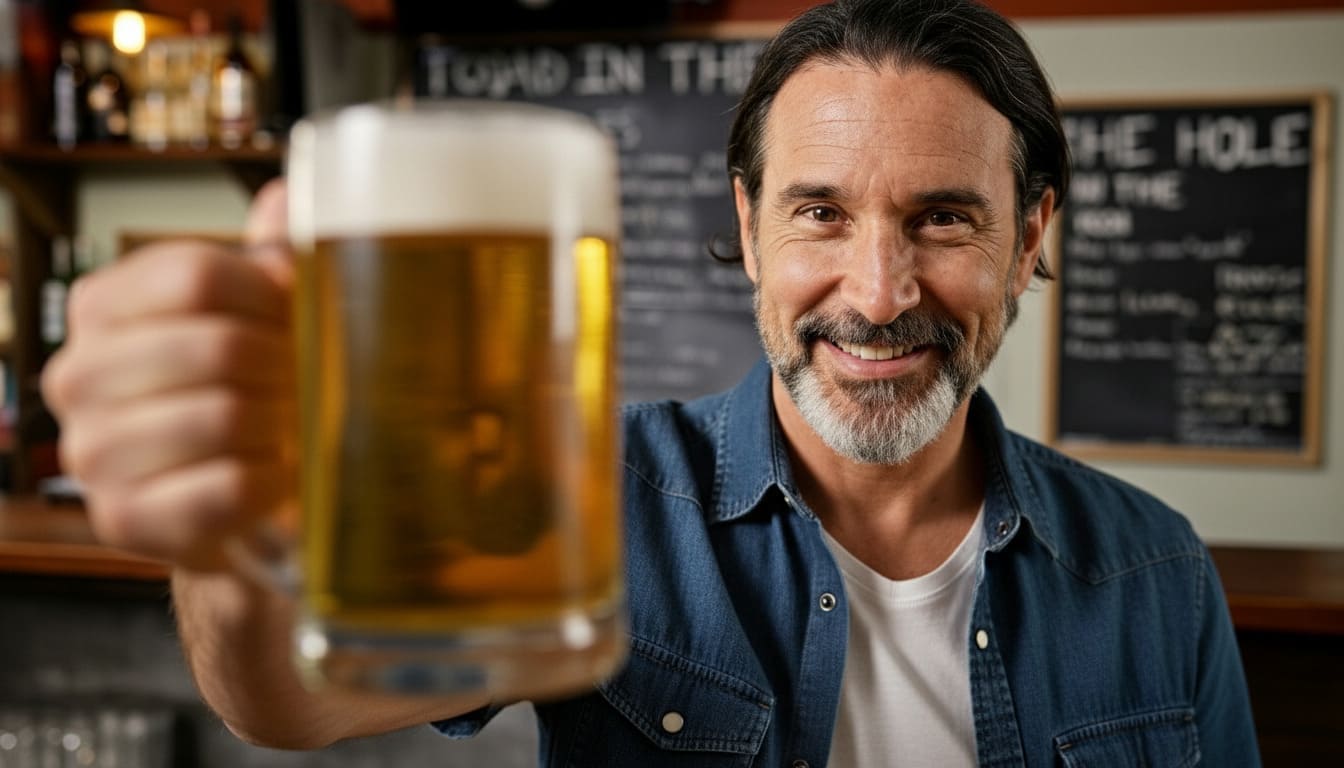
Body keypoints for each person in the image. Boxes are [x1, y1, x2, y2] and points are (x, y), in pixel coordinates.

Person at [42, 0, 1260, 765]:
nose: (879, 290)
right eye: (820, 213)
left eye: (944, 219)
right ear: (749, 219)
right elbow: (281, 705)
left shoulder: (1159, 571)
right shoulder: (589, 494)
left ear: (1031, 235)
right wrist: (225, 540)